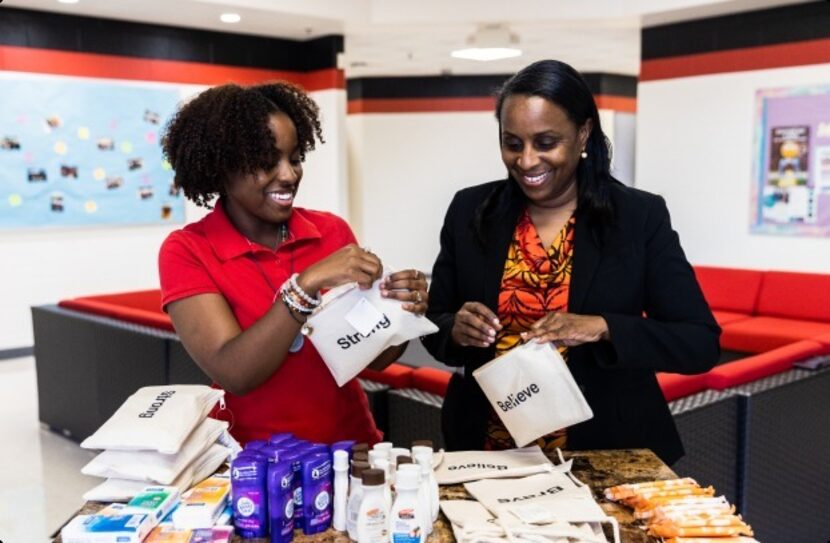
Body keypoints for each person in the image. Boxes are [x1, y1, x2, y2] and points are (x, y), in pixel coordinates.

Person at [421, 60, 720, 465]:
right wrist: (455, 329)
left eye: (546, 143)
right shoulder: (471, 210)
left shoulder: (637, 217)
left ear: (583, 133)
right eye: (512, 143)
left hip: (604, 451)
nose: (526, 161)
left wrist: (602, 328)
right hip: (488, 452)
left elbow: (699, 343)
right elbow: (435, 324)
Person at [158, 82, 428, 446]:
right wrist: (306, 285)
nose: (288, 175)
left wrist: (401, 311)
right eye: (267, 162)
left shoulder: (330, 231)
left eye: (295, 158)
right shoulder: (188, 250)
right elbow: (235, 372)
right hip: (251, 466)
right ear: (222, 168)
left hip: (349, 449)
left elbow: (377, 358)